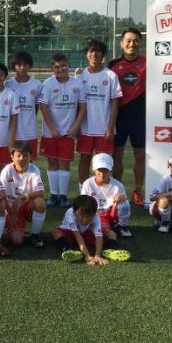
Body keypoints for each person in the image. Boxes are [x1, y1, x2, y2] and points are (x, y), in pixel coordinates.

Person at [38, 53, 86, 208]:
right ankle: (53, 195)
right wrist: (52, 129)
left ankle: (63, 196)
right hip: (51, 133)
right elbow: (43, 107)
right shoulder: (48, 84)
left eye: (63, 66)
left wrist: (76, 126)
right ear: (52, 69)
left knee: (64, 163)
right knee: (52, 162)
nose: (60, 69)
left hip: (68, 132)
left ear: (69, 65)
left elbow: (83, 107)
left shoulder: (77, 83)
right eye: (57, 67)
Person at [76, 40, 122, 191]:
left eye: (97, 51)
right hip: (85, 128)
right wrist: (76, 125)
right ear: (86, 54)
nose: (94, 54)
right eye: (90, 51)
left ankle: (104, 192)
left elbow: (115, 103)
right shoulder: (80, 76)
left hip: (104, 129)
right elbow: (76, 103)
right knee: (84, 159)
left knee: (105, 162)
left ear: (102, 54)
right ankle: (83, 191)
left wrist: (110, 126)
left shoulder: (111, 75)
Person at [108, 28, 146, 206]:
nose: (132, 44)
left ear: (140, 42)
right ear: (122, 43)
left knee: (140, 156)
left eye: (136, 40)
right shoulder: (112, 65)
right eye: (128, 41)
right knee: (117, 156)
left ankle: (138, 190)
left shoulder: (148, 62)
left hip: (141, 118)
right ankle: (118, 190)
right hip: (119, 118)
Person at [52, 195, 129, 264]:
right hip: (72, 233)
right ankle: (68, 250)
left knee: (112, 234)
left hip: (87, 233)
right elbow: (78, 236)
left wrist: (97, 255)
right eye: (82, 216)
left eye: (89, 217)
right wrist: (87, 256)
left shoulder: (96, 217)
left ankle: (109, 250)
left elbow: (98, 238)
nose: (85, 220)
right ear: (74, 212)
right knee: (56, 233)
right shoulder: (70, 214)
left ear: (95, 213)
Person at [0, 141, 46, 249]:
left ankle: (34, 235)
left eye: (25, 155)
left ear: (30, 157)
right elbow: (1, 194)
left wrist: (21, 198)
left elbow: (41, 192)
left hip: (26, 205)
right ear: (12, 156)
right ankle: (13, 228)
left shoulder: (34, 170)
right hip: (11, 207)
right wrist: (11, 215)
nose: (22, 158)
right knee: (17, 242)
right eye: (18, 155)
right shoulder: (7, 170)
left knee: (40, 202)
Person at [81, 153, 132, 239]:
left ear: (111, 171)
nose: (102, 173)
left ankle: (120, 226)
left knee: (124, 204)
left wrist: (120, 197)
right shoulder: (88, 183)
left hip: (111, 213)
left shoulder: (118, 185)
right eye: (99, 170)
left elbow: (124, 198)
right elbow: (82, 201)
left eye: (105, 170)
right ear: (94, 170)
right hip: (94, 214)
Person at [5, 51, 42, 161]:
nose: (22, 67)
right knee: (11, 164)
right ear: (14, 66)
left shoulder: (37, 84)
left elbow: (36, 107)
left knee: (28, 162)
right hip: (11, 133)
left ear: (30, 66)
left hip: (29, 132)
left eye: (25, 64)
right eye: (19, 64)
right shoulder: (7, 85)